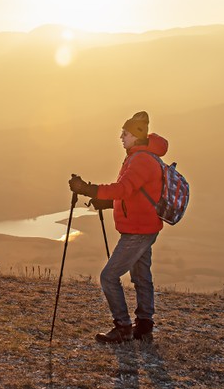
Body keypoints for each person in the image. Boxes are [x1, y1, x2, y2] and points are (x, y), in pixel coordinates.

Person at [68, 110, 168, 344]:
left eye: (125, 133)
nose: (121, 137)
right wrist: (106, 201)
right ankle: (144, 326)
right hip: (144, 226)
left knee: (109, 277)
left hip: (139, 230)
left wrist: (88, 189)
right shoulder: (140, 156)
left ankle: (123, 327)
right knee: (141, 276)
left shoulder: (141, 160)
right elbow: (134, 194)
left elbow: (123, 189)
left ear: (136, 135)